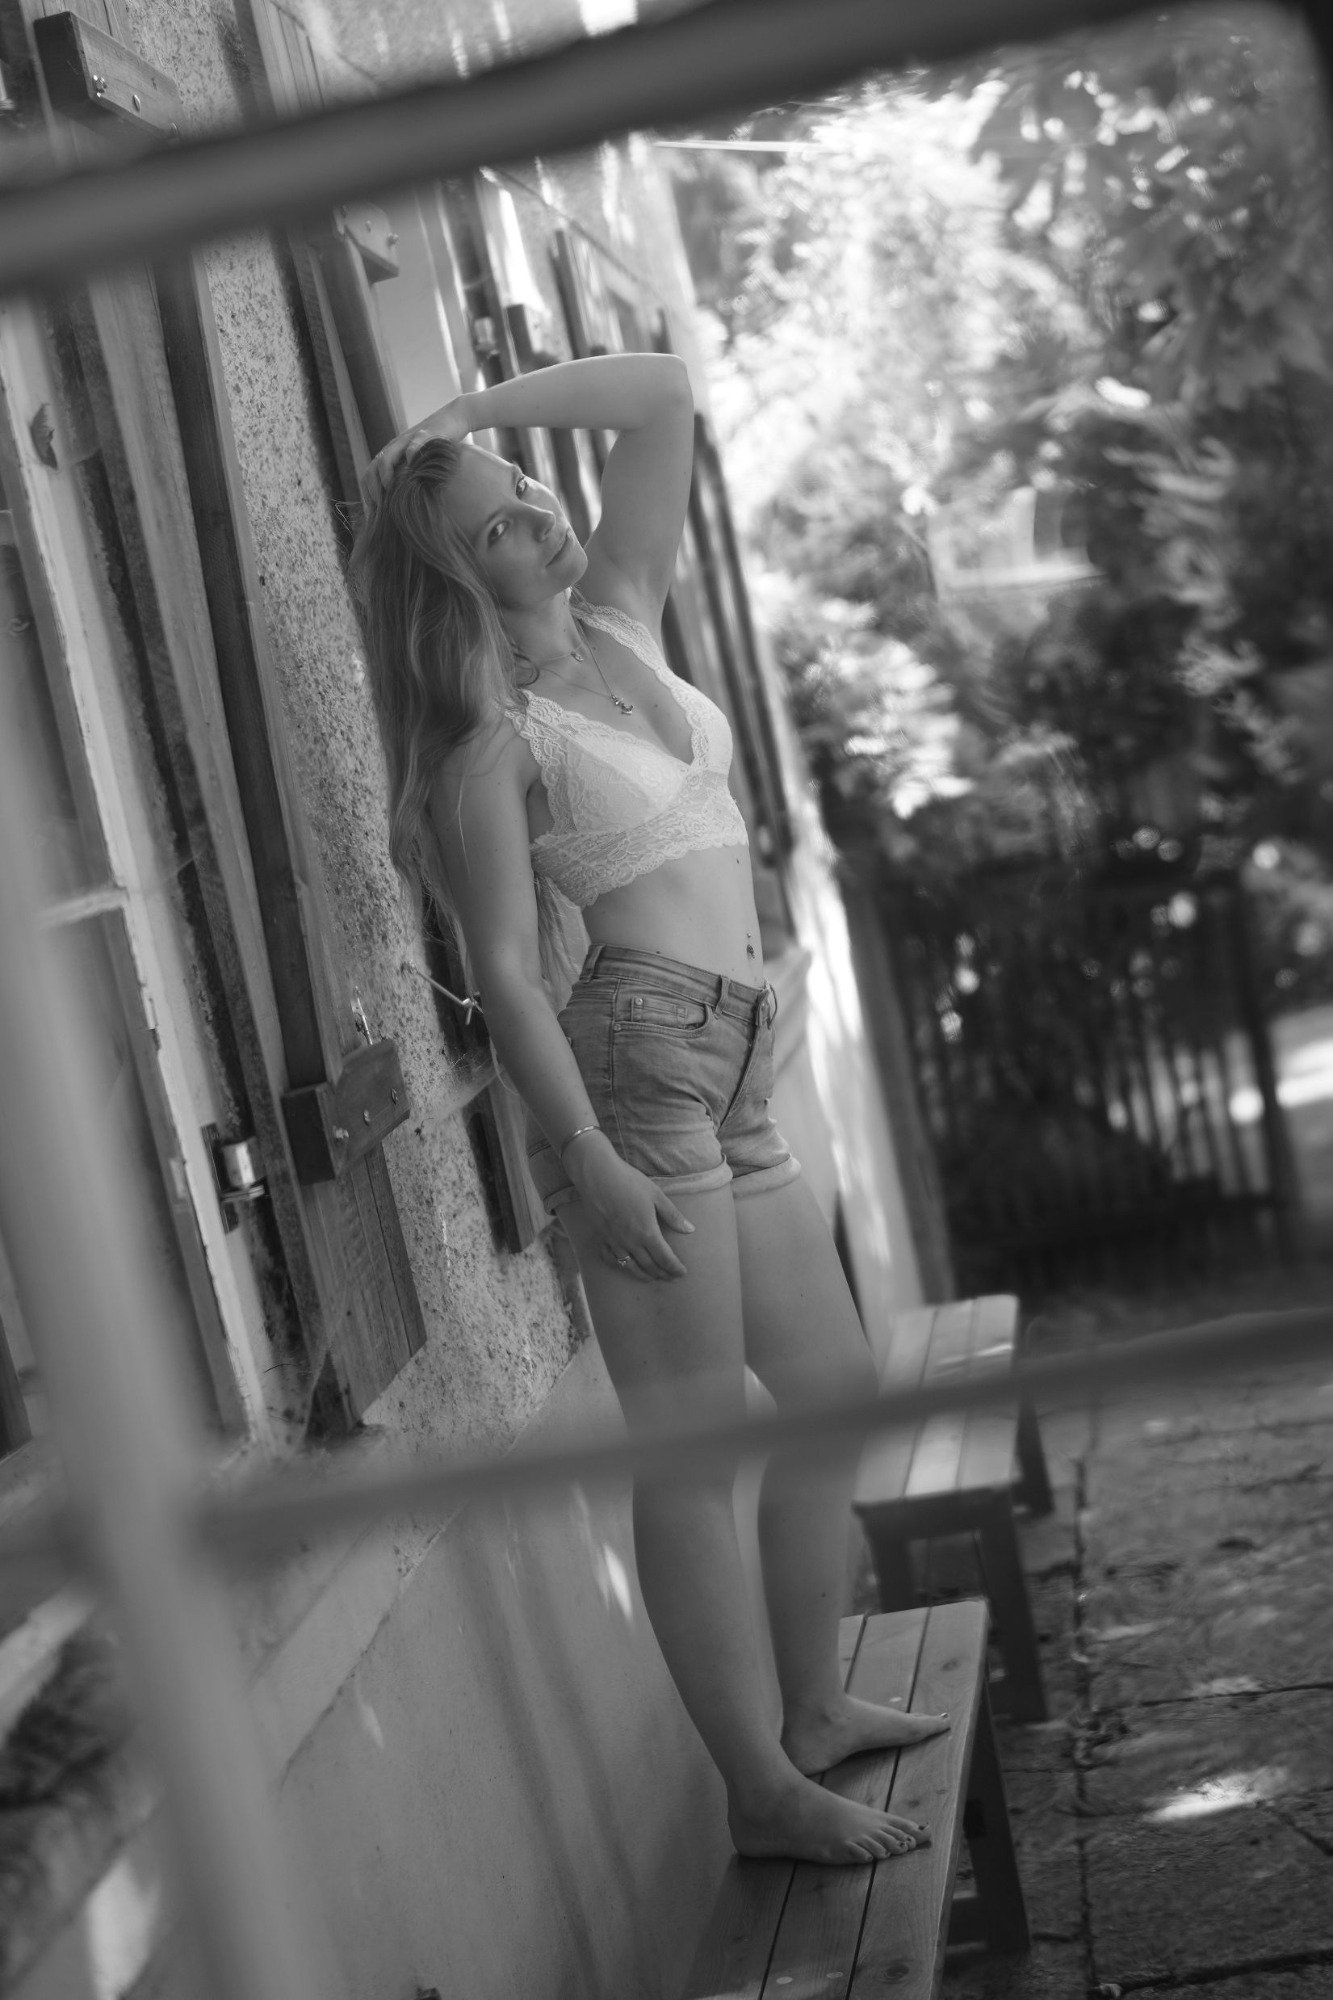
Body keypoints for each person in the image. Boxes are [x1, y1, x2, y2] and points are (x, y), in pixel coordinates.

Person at [350, 352, 947, 1865]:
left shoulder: (620, 613)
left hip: (733, 1058)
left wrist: (465, 423)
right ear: (455, 582)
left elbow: (664, 393)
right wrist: (586, 1159)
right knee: (691, 1449)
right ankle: (760, 1791)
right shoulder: (491, 746)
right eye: (495, 528)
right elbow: (504, 972)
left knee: (832, 1388)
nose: (536, 518)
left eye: (527, 492)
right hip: (636, 1077)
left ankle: (814, 1709)